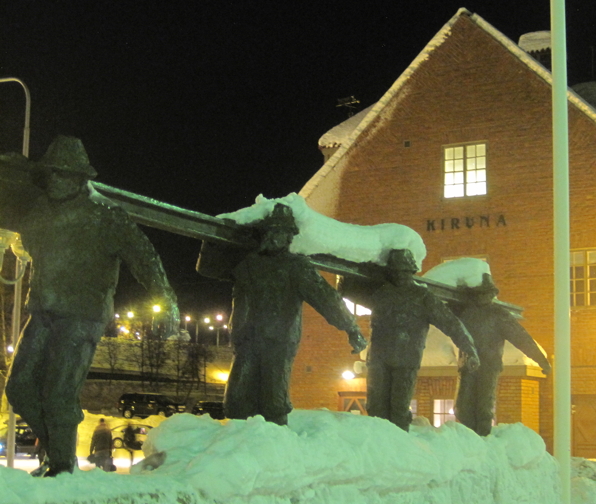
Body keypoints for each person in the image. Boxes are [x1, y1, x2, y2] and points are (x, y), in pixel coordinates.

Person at [2, 136, 179, 476]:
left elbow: (144, 257)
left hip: (81, 315)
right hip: (42, 311)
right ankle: (58, 453)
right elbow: (15, 226)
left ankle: (62, 467)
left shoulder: (106, 216)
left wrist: (166, 299)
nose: (55, 180)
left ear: (80, 178)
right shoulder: (38, 212)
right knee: (19, 387)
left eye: (63, 174)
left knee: (58, 394)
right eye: (51, 173)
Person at [197, 203, 367, 426]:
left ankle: (276, 446)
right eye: (272, 231)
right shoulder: (248, 263)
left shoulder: (296, 267)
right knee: (237, 398)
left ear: (290, 237)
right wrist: (214, 236)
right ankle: (239, 445)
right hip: (246, 339)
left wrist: (351, 327)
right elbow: (207, 268)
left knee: (273, 398)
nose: (275, 237)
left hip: (278, 342)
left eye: (281, 232)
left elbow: (327, 299)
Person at [341, 249, 480, 431]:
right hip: (379, 359)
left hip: (406, 361)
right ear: (390, 271)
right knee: (376, 408)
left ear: (411, 271)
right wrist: (363, 261)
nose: (399, 275)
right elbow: (347, 287)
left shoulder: (423, 298)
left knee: (399, 409)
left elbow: (452, 324)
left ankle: (399, 448)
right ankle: (379, 449)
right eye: (396, 271)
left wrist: (469, 349)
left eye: (404, 271)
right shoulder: (380, 293)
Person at [453, 272, 551, 436]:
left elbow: (522, 338)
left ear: (492, 294)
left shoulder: (499, 315)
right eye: (479, 293)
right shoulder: (464, 311)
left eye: (486, 293)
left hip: (488, 366)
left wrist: (541, 360)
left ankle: (483, 441)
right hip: (468, 365)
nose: (482, 297)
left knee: (484, 407)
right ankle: (468, 442)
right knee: (463, 407)